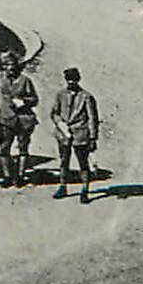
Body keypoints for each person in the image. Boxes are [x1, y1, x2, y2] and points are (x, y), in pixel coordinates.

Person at [0, 51, 40, 187]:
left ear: (17, 66)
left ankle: (21, 176)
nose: (10, 69)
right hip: (6, 119)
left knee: (23, 148)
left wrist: (24, 102)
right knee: (4, 149)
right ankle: (7, 176)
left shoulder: (25, 80)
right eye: (7, 66)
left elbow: (34, 99)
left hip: (23, 119)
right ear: (4, 67)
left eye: (12, 66)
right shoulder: (0, 77)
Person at [49, 67, 100, 204]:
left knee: (83, 163)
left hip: (81, 134)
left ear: (78, 80)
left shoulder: (86, 97)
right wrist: (61, 124)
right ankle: (63, 186)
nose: (71, 82)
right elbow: (54, 113)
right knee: (63, 161)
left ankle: (85, 190)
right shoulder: (60, 95)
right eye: (68, 80)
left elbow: (92, 118)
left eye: (74, 80)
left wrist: (93, 138)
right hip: (63, 134)